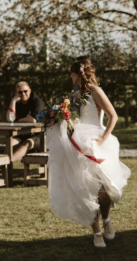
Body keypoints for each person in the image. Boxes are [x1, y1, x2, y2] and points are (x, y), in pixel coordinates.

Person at [44, 56, 131, 248]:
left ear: (77, 74)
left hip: (95, 141)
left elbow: (113, 116)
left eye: (71, 73)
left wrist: (103, 138)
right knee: (84, 189)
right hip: (77, 142)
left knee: (103, 190)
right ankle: (96, 233)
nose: (69, 76)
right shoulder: (72, 96)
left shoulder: (96, 92)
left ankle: (106, 218)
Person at [6, 81, 45, 162]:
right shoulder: (17, 103)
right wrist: (13, 101)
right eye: (20, 92)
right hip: (21, 133)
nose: (23, 94)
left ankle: (7, 162)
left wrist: (18, 120)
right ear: (16, 93)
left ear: (30, 91)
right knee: (9, 144)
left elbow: (33, 120)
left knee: (26, 143)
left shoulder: (37, 102)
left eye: (25, 91)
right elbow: (10, 119)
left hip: (38, 134)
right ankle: (4, 169)